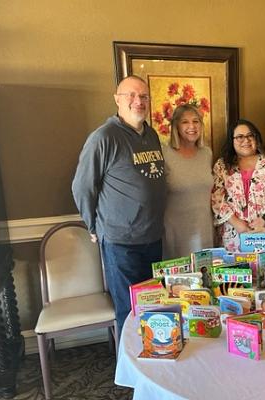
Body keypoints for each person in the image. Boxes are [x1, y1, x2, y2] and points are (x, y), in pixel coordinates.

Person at [72, 75, 165, 337]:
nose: (139, 101)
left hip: (152, 236)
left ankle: (152, 355)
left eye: (144, 96)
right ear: (117, 100)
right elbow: (82, 186)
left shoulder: (151, 134)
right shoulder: (104, 137)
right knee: (129, 311)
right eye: (131, 95)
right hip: (121, 242)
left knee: (153, 306)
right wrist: (93, 226)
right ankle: (128, 362)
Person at [211, 119, 265, 252]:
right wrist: (236, 222)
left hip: (263, 229)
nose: (246, 140)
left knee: (264, 264)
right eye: (240, 137)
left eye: (250, 135)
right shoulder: (222, 165)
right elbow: (216, 197)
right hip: (232, 230)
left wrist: (264, 219)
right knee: (233, 265)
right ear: (232, 140)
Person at [162, 104, 213, 258]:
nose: (192, 126)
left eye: (196, 121)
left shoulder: (207, 153)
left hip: (204, 230)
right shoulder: (164, 153)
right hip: (175, 234)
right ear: (176, 126)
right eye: (185, 122)